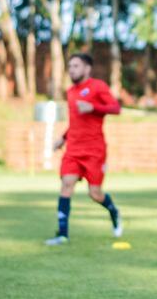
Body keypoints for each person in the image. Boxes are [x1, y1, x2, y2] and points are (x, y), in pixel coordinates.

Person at [45, 53, 123, 245]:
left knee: (95, 193)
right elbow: (76, 123)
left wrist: (93, 107)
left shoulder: (98, 87)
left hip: (95, 151)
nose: (72, 69)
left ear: (87, 68)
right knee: (66, 184)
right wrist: (62, 139)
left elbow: (116, 108)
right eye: (70, 66)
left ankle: (113, 211)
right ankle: (62, 234)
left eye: (76, 66)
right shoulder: (71, 92)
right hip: (73, 149)